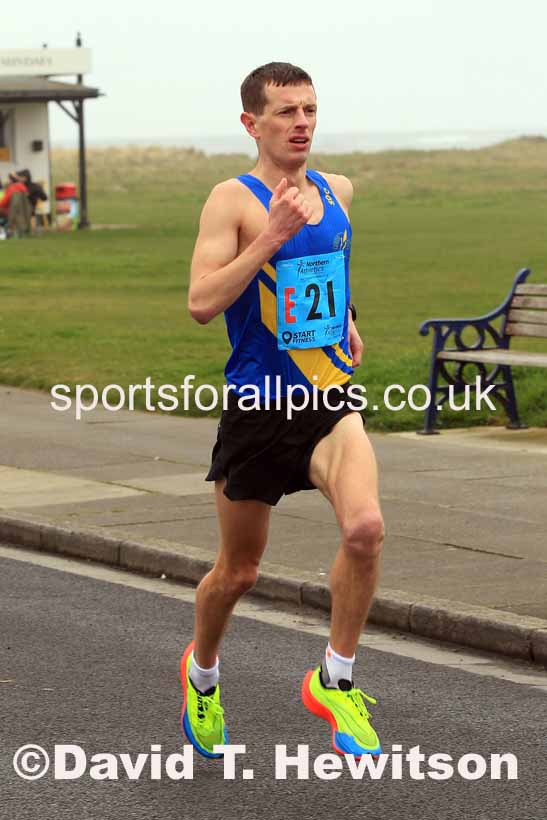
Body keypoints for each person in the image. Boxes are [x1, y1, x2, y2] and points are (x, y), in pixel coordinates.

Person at [182, 62, 385, 760]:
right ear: (251, 124)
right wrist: (267, 235)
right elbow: (202, 304)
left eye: (309, 109)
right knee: (237, 573)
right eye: (285, 112)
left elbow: (327, 263)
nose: (301, 123)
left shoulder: (337, 191)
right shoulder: (230, 200)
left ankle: (335, 678)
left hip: (329, 397)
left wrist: (347, 313)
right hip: (258, 406)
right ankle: (202, 677)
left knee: (364, 529)